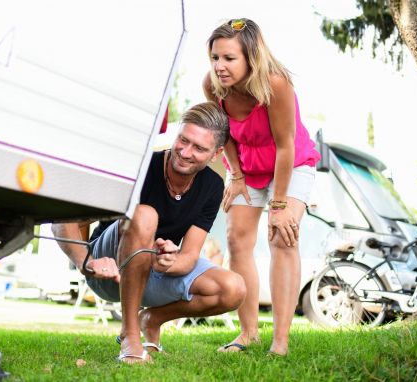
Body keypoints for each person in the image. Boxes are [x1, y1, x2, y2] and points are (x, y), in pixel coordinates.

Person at [52, 102, 246, 363]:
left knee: (233, 288)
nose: (185, 152)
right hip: (110, 270)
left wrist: (169, 260)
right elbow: (63, 219)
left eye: (199, 148)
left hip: (154, 272)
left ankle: (152, 319)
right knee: (145, 215)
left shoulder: (212, 186)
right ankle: (130, 335)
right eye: (183, 140)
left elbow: (188, 257)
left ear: (216, 153)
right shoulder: (141, 169)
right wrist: (84, 262)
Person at [202, 18, 320, 356]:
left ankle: (280, 341)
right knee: (238, 240)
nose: (219, 67)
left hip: (291, 164)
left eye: (228, 58)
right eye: (214, 58)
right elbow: (222, 134)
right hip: (247, 166)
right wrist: (236, 175)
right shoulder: (213, 85)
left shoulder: (275, 84)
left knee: (281, 236)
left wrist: (279, 205)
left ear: (251, 56)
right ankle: (248, 333)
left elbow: (286, 146)